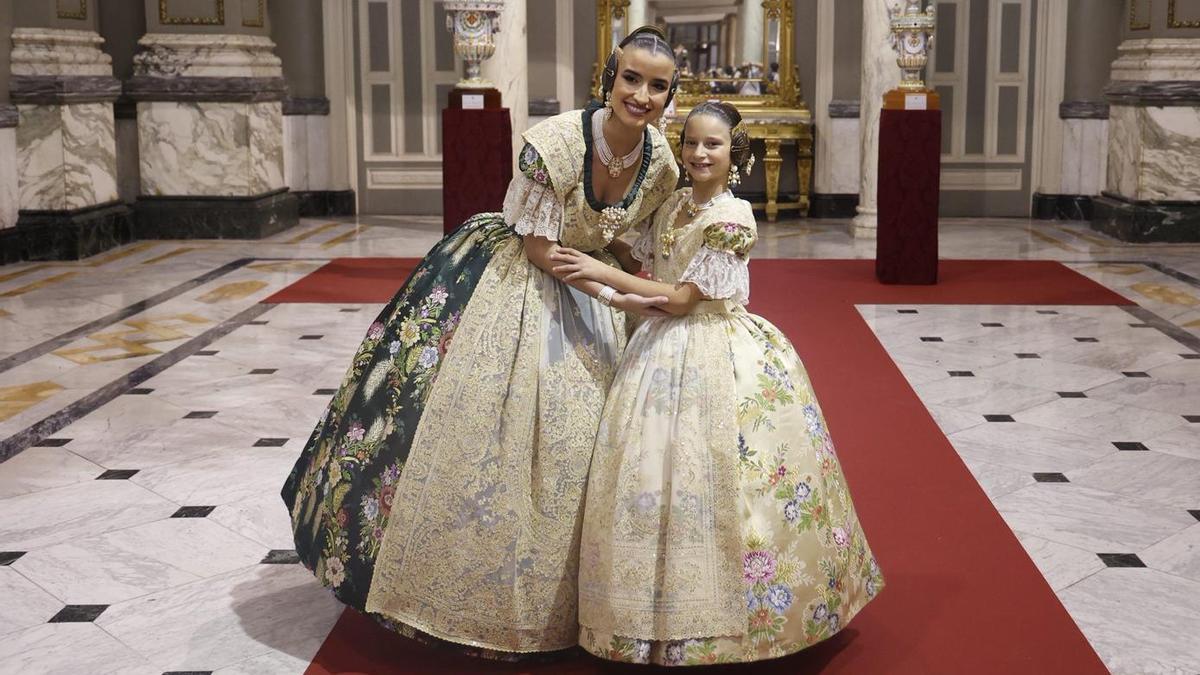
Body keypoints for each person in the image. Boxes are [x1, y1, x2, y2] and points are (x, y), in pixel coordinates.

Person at [280, 26, 680, 658]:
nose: (642, 95)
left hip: (595, 281)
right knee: (494, 423)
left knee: (601, 437)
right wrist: (619, 292)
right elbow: (541, 249)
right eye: (632, 78)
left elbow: (629, 237)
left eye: (658, 86)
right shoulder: (551, 145)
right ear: (609, 77)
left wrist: (645, 287)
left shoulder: (660, 160)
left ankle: (589, 600)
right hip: (517, 277)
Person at [551, 101, 884, 666]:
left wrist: (603, 278)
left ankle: (740, 620)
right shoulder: (676, 203)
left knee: (725, 472)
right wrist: (602, 246)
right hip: (658, 347)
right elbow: (651, 260)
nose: (700, 154)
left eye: (713, 145)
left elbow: (684, 300)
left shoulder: (733, 218)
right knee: (650, 471)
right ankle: (644, 614)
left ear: (736, 154)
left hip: (715, 345)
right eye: (691, 143)